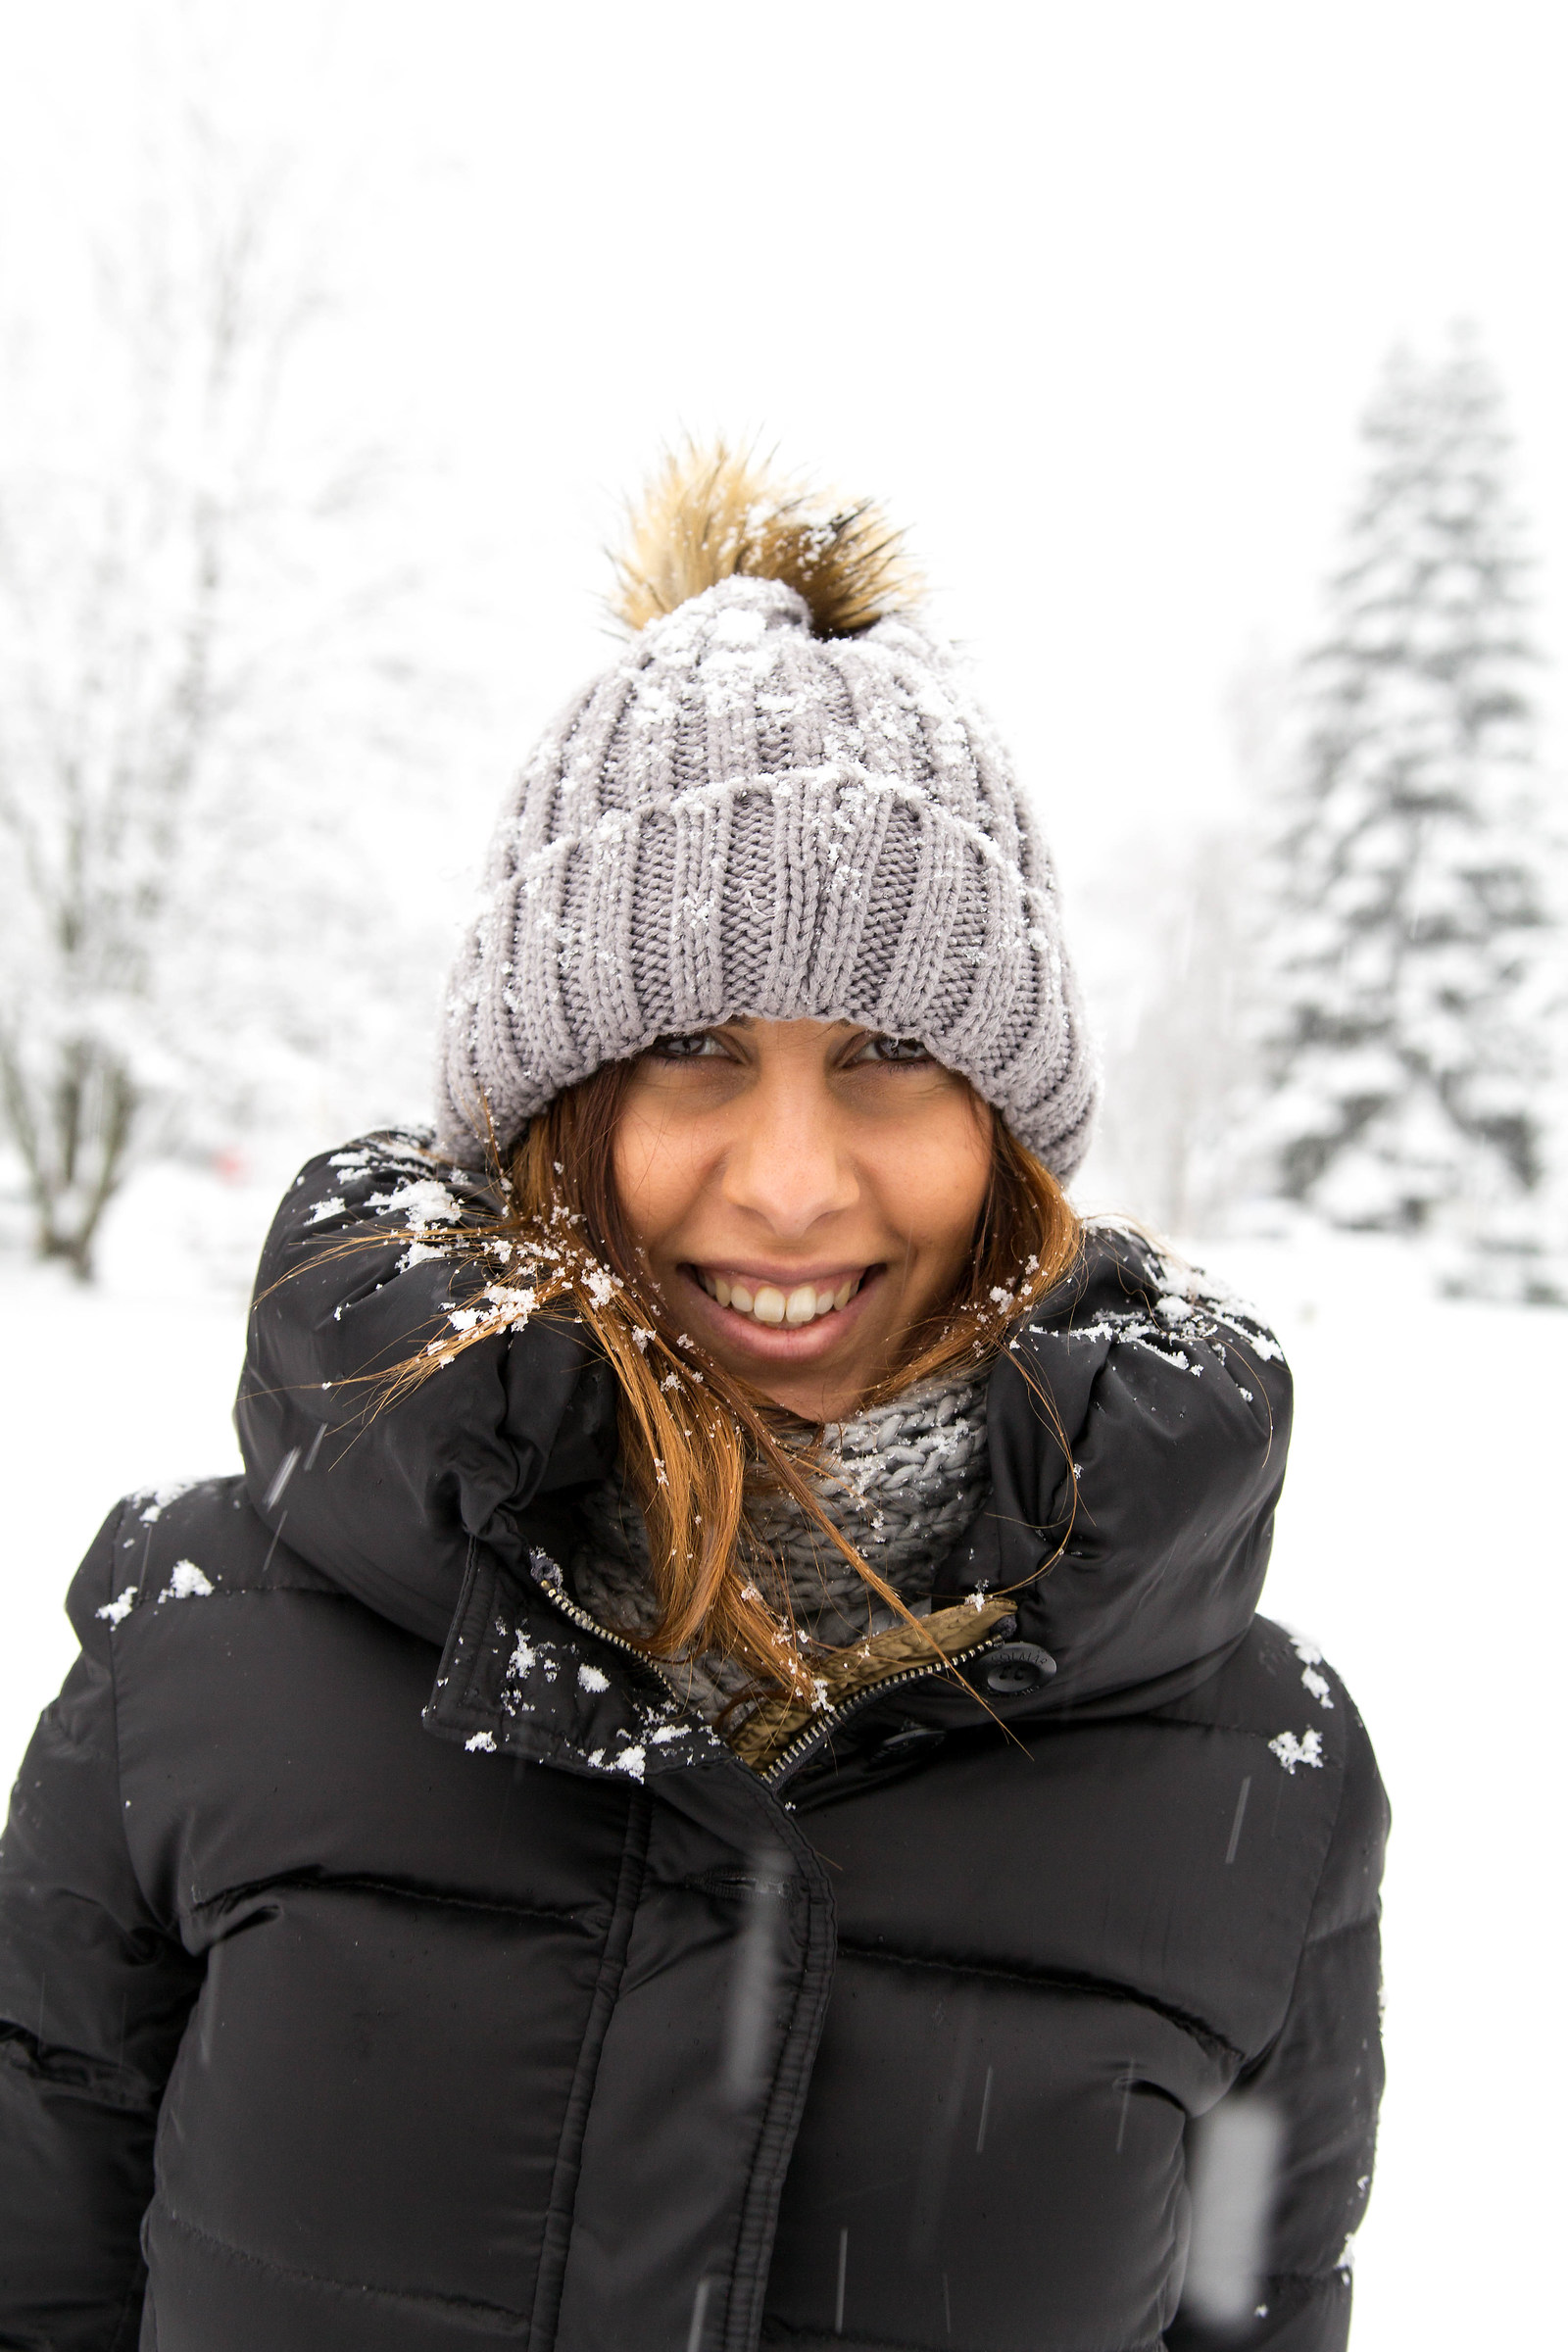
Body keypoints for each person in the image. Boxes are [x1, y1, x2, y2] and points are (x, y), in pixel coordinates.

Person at [0, 445, 1386, 2352]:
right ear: (555, 1113)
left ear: (1006, 1136)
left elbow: (1252, 2307)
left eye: (891, 1055)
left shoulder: (1256, 1771)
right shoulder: (196, 1658)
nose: (795, 1180)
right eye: (693, 1053)